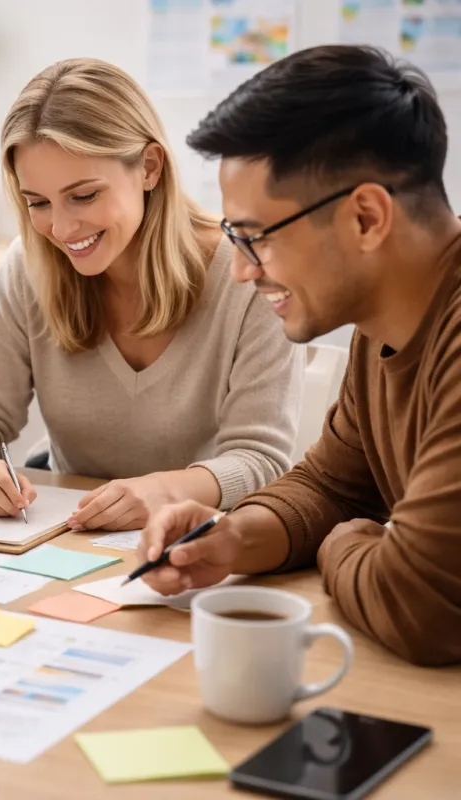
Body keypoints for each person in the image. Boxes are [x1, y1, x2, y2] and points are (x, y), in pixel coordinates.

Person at [139, 45, 461, 666]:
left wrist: (348, 543)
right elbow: (334, 486)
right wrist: (231, 537)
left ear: (366, 217)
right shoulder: (383, 323)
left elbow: (417, 601)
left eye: (256, 237)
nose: (239, 271)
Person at [0, 58, 302, 530]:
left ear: (148, 167)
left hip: (199, 543)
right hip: (66, 538)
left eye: (83, 196)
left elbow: (261, 460)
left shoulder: (247, 273)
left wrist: (161, 492)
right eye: (38, 203)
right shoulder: (29, 265)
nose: (62, 229)